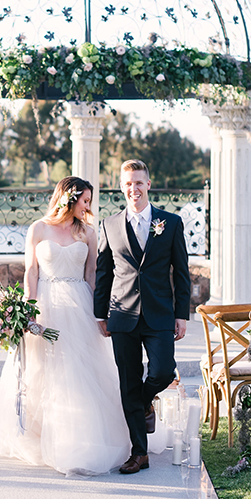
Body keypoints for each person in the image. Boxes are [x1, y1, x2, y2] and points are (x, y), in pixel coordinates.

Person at [0, 176, 130, 476]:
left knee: (79, 370)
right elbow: (31, 272)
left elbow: (92, 276)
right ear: (69, 198)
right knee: (41, 369)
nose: (88, 206)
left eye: (89, 201)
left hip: (79, 304)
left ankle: (81, 439)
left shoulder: (88, 232)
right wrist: (29, 310)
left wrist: (100, 314)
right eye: (84, 200)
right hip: (45, 304)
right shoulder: (38, 228)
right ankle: (40, 434)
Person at [94, 159, 192, 474]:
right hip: (121, 316)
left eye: (138, 183)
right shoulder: (109, 224)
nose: (133, 189)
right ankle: (139, 452)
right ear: (122, 187)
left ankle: (145, 399)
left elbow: (182, 273)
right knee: (127, 382)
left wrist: (182, 314)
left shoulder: (171, 222)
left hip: (160, 314)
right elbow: (103, 273)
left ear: (148, 184)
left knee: (163, 371)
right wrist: (100, 314)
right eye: (128, 184)